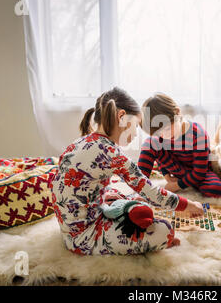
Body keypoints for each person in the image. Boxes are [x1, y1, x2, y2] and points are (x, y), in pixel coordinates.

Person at [50, 87, 204, 256]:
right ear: (122, 117)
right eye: (136, 125)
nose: (137, 134)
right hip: (84, 239)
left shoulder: (82, 141)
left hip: (69, 228)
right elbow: (151, 192)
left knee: (123, 194)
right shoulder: (112, 154)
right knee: (164, 230)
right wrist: (188, 205)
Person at [138, 93, 221, 198]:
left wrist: (177, 185)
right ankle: (139, 186)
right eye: (159, 133)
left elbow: (200, 172)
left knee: (216, 189)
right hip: (176, 168)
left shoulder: (198, 135)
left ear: (177, 113)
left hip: (197, 172)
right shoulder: (163, 136)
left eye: (167, 129)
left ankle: (188, 182)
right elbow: (161, 155)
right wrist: (166, 175)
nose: (165, 135)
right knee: (150, 143)